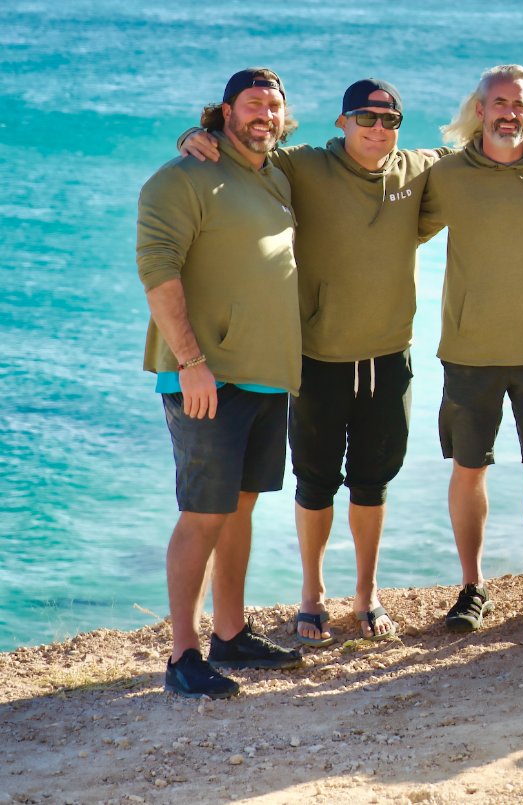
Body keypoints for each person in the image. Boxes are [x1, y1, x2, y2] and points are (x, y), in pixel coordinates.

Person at [179, 78, 442, 644]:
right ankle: (312, 597)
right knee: (314, 482)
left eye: (389, 121)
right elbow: (245, 147)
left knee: (373, 483)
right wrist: (197, 136)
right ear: (341, 122)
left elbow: (479, 157)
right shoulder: (301, 167)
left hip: (389, 357)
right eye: (365, 119)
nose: (378, 130)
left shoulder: (417, 170)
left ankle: (367, 596)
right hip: (317, 358)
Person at [138, 67, 305, 698]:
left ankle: (230, 634)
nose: (265, 114)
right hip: (205, 376)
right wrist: (189, 360)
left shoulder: (277, 173)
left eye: (274, 105)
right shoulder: (183, 177)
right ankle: (182, 654)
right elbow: (157, 268)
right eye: (252, 104)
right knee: (203, 513)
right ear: (224, 112)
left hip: (265, 375)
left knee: (240, 507)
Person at [419, 64, 523, 635]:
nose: (509, 112)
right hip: (468, 350)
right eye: (498, 102)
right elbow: (385, 203)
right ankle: (471, 588)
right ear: (480, 110)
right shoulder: (446, 174)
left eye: (519, 103)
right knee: (469, 469)